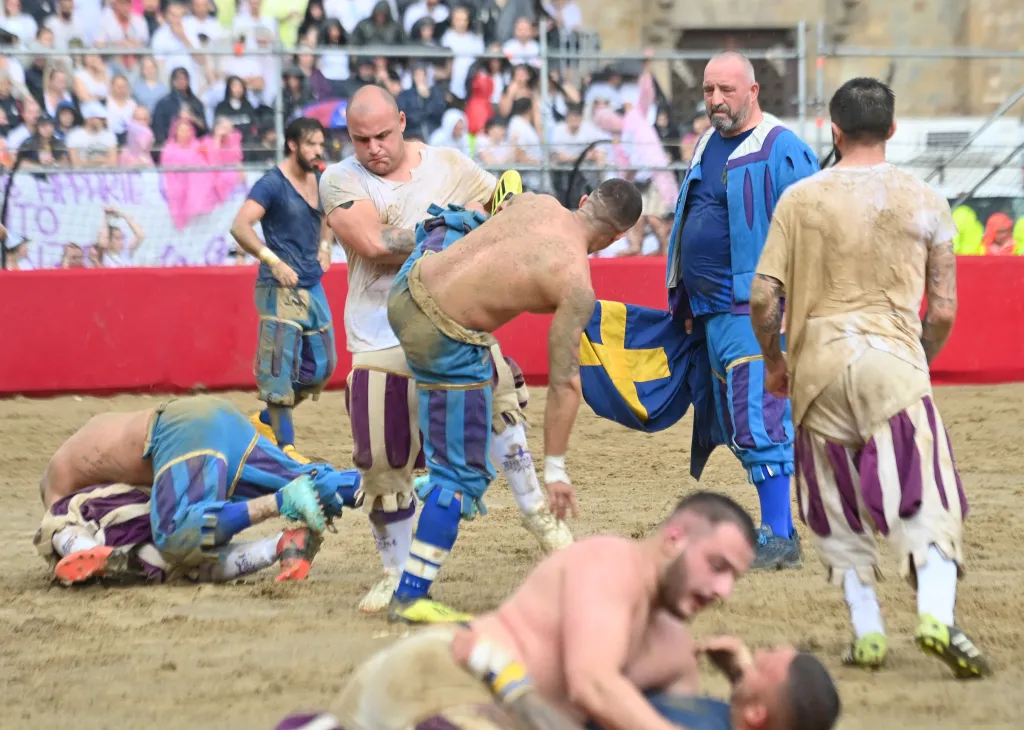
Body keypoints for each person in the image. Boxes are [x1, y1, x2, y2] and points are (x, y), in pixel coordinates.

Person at [749, 77, 990, 678]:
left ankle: (869, 632)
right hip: (893, 362)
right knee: (926, 494)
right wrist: (919, 358)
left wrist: (777, 364)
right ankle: (935, 614)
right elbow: (942, 310)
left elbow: (762, 298)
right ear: (893, 129)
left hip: (818, 367)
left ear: (832, 131)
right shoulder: (926, 201)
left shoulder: (800, 199)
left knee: (835, 505)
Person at [276, 492, 840, 730]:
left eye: (734, 578)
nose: (724, 590)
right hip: (441, 682)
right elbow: (593, 686)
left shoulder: (672, 647)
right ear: (674, 540)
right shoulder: (608, 565)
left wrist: (747, 684)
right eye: (717, 565)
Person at [319, 84, 572, 615]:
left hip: (456, 326)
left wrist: (483, 220)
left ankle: (540, 516)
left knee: (502, 409)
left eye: (383, 135)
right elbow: (373, 244)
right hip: (378, 336)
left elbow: (506, 209)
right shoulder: (339, 179)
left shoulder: (451, 162)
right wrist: (452, 226)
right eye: (361, 139)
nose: (374, 148)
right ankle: (396, 571)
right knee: (383, 462)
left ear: (404, 122)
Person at [383, 179, 643, 621]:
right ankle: (410, 596)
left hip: (407, 287)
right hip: (443, 336)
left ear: (583, 201)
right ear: (617, 238)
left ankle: (500, 483)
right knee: (460, 476)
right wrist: (556, 468)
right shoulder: (575, 283)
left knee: (500, 386)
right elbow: (565, 384)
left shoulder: (532, 201)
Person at [664, 51, 820, 571]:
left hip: (756, 311)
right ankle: (775, 524)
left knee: (758, 419)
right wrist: (686, 297)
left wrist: (790, 310)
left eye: (726, 90)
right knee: (735, 423)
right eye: (709, 90)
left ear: (753, 91)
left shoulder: (782, 148)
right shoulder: (706, 143)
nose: (715, 100)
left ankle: (781, 534)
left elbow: (808, 234)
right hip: (710, 311)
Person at [37, 395, 361, 584]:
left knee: (176, 535)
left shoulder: (61, 486)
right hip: (221, 420)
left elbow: (58, 520)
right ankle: (397, 489)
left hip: (182, 431)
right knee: (304, 476)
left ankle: (280, 504)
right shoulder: (89, 450)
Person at [230, 117, 336, 464]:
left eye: (320, 144)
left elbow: (328, 216)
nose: (318, 151)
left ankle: (265, 421)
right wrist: (272, 260)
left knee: (323, 366)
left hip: (310, 283)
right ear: (292, 145)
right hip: (278, 286)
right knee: (279, 368)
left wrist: (325, 245)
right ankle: (285, 446)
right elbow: (240, 225)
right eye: (311, 144)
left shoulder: (320, 180)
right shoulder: (271, 184)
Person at [37, 484, 324, 586]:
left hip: (135, 516)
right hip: (157, 540)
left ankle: (86, 550)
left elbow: (55, 490)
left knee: (57, 520)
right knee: (192, 565)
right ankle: (279, 546)